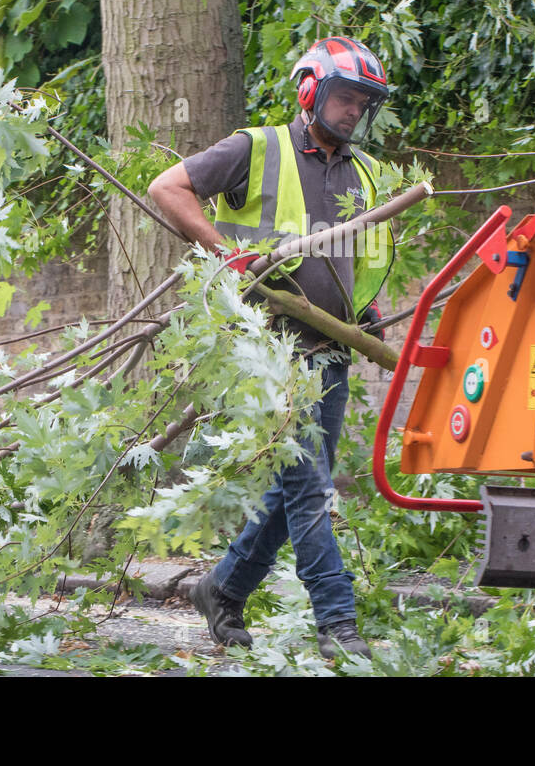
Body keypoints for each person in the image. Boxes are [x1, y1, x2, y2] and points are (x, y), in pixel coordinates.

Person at [147, 36, 394, 659]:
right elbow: (167, 188)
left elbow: (350, 260)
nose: (352, 111)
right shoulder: (256, 148)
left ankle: (222, 589)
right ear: (311, 90)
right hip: (267, 350)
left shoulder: (362, 173)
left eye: (362, 103)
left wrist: (363, 310)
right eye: (344, 97)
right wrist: (229, 257)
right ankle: (338, 623)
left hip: (330, 350)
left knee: (294, 489)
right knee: (309, 486)